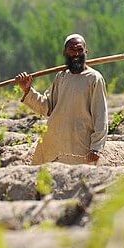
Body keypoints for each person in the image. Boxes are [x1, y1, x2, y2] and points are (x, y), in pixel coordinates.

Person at [14, 33, 108, 165]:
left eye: (79, 50)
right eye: (72, 50)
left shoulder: (94, 78)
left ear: (86, 51)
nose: (76, 54)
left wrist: (96, 148)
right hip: (54, 142)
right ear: (65, 53)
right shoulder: (61, 77)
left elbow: (101, 115)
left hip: (79, 146)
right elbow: (47, 108)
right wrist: (27, 90)